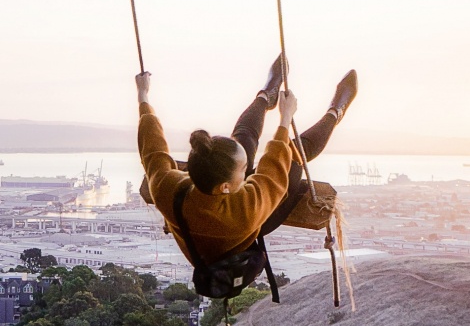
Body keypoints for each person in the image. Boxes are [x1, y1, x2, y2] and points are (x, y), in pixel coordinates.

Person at [134, 57, 358, 279]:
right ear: (225, 187)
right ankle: (335, 113)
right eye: (244, 169)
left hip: (204, 237)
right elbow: (275, 166)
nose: (248, 169)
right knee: (296, 152)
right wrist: (285, 118)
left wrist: (143, 95)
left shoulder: (167, 187)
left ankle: (265, 96)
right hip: (242, 239)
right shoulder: (244, 210)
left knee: (243, 138)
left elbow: (153, 149)